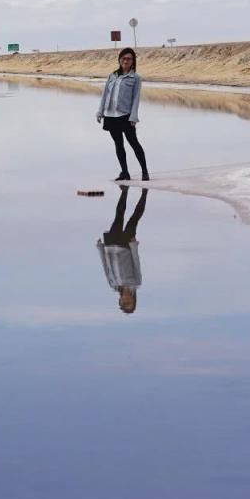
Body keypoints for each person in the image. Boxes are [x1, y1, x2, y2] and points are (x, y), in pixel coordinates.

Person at [96, 46, 149, 182]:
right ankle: (125, 172)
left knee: (134, 143)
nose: (126, 61)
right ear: (120, 60)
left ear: (133, 61)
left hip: (125, 116)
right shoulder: (112, 75)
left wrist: (133, 116)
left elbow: (136, 98)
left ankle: (144, 171)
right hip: (110, 115)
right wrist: (100, 112)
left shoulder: (135, 78)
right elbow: (105, 94)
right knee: (118, 145)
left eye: (129, 59)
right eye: (124, 58)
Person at [97, 186, 147, 314]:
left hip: (110, 247)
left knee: (118, 216)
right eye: (129, 302)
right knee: (134, 219)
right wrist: (134, 246)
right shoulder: (136, 283)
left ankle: (125, 191)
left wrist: (100, 249)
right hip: (125, 246)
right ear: (133, 299)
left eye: (124, 303)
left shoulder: (113, 284)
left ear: (119, 301)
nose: (126, 300)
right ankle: (144, 193)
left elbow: (105, 268)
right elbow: (136, 264)